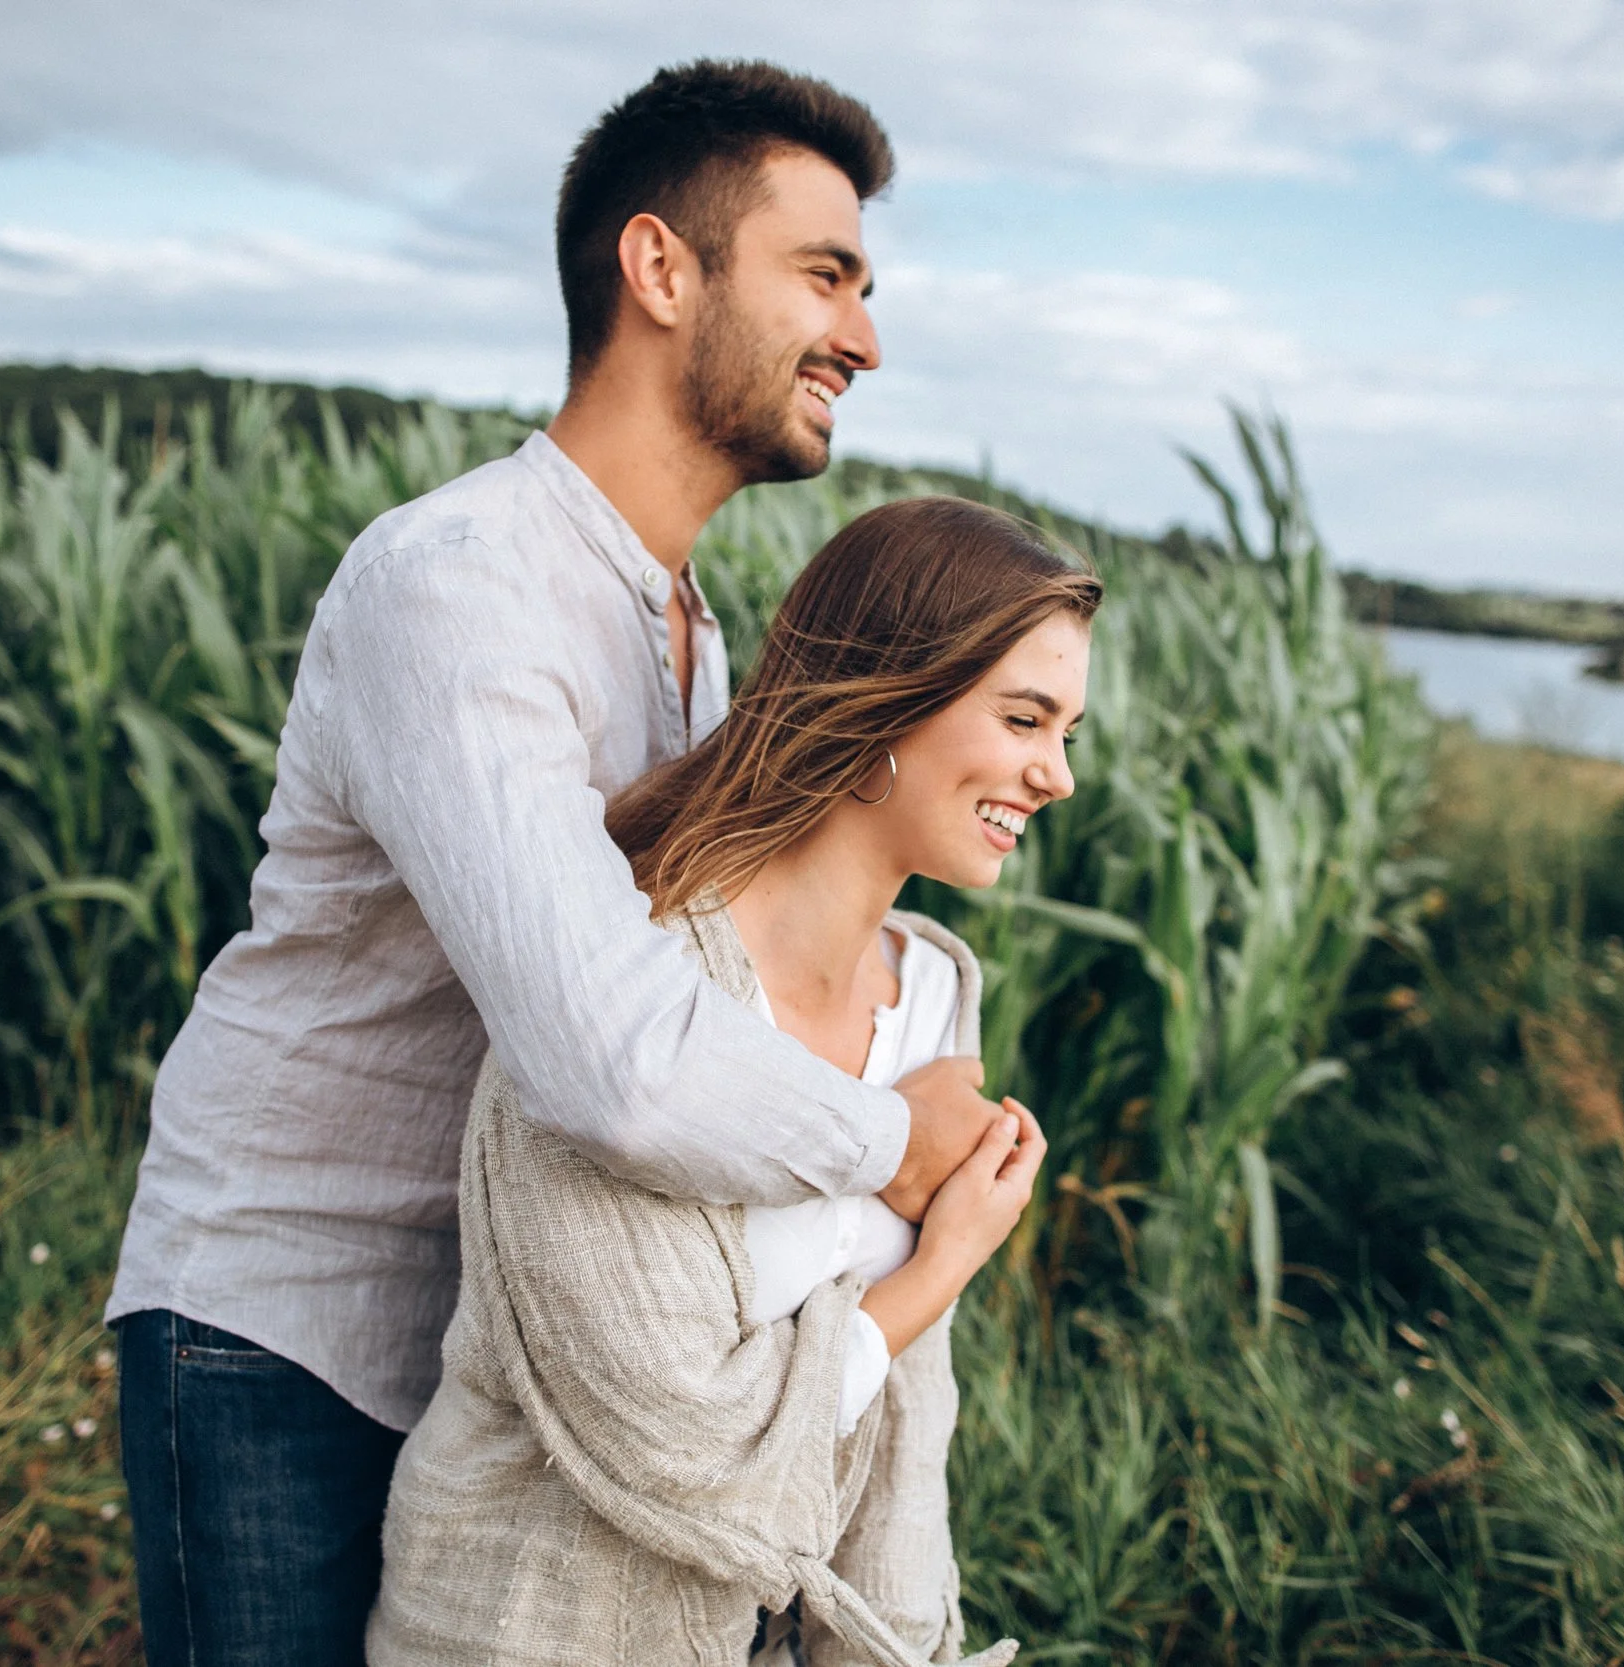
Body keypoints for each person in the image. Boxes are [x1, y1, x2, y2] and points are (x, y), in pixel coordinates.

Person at [105, 60, 1012, 1667]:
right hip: (286, 1319)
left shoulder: (688, 636)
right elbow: (612, 1054)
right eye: (825, 275)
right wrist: (890, 1140)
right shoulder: (460, 586)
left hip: (501, 1333)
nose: (864, 338)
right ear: (661, 268)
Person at [369, 495, 1096, 1666]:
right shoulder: (633, 981)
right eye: (1025, 717)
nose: (1056, 773)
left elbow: (913, 1418)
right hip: (527, 1628)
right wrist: (951, 1254)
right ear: (891, 698)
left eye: (1068, 732)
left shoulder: (936, 993)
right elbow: (683, 1440)